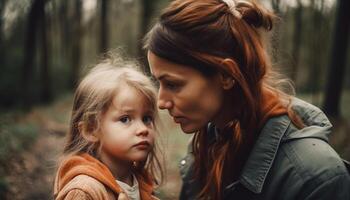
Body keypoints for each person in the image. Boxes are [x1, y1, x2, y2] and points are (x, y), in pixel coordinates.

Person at [144, 0, 350, 199]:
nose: (161, 102)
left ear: (225, 75)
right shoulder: (203, 150)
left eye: (173, 84)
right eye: (159, 83)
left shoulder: (314, 179)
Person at [53, 55, 163, 200]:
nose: (143, 129)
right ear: (91, 129)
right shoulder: (83, 192)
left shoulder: (143, 187)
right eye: (125, 119)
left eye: (147, 118)